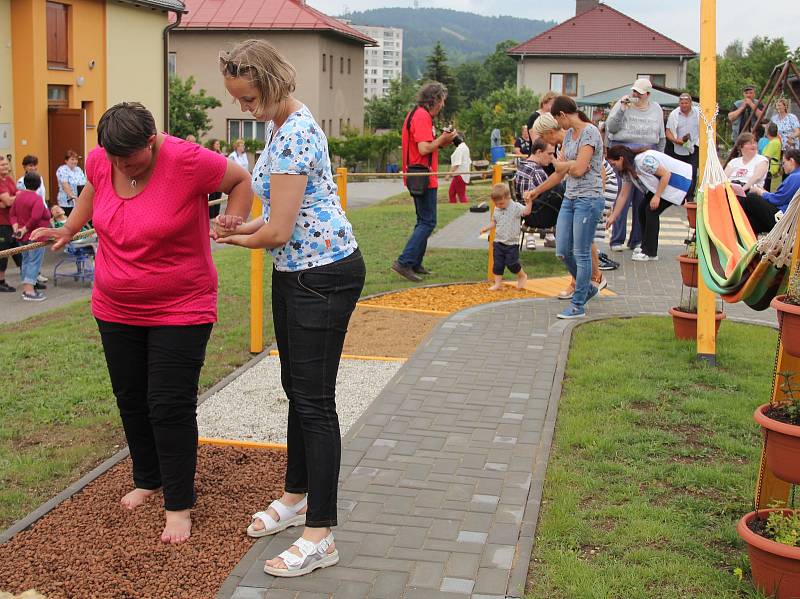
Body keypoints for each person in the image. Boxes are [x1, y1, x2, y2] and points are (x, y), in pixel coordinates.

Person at [31, 101, 253, 544]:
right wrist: (70, 228)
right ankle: (148, 478)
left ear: (150, 142)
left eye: (128, 158)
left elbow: (240, 180)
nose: (118, 165)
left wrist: (234, 218)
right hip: (115, 306)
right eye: (112, 157)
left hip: (182, 305)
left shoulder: (187, 160)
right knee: (131, 398)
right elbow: (93, 189)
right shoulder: (102, 159)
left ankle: (179, 503)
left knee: (168, 405)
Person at [214, 38, 365, 578]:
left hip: (322, 275)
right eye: (238, 99)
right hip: (296, 271)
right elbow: (278, 219)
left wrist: (243, 238)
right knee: (297, 392)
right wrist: (239, 226)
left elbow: (279, 229)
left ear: (273, 83)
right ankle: (297, 496)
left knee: (314, 402)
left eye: (250, 97)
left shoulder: (297, 131)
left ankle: (321, 534)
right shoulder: (278, 126)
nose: (245, 109)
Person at [532, 97, 605, 320]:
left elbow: (580, 169)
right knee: (563, 250)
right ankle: (588, 288)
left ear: (563, 115)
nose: (557, 125)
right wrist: (538, 191)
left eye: (556, 119)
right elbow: (560, 171)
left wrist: (566, 166)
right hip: (570, 198)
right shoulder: (569, 139)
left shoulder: (589, 133)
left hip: (588, 199)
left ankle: (578, 304)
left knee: (582, 253)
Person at [393, 81, 457, 282]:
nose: (443, 106)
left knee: (423, 220)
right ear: (435, 100)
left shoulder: (417, 114)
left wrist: (440, 141)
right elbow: (423, 149)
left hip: (419, 173)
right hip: (422, 175)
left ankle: (414, 262)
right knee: (428, 221)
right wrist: (443, 140)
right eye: (442, 101)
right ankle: (404, 262)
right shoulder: (422, 117)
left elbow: (425, 146)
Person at [605, 78, 666, 253]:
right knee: (622, 195)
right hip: (625, 152)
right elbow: (611, 127)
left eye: (639, 93)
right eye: (634, 91)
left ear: (647, 94)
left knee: (642, 198)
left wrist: (659, 158)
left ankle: (637, 240)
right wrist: (622, 110)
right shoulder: (622, 104)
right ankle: (617, 239)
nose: (635, 95)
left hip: (647, 153)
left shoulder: (656, 109)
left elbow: (660, 136)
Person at [606, 145, 692, 262]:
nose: (614, 168)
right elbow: (623, 195)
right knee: (641, 209)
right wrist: (613, 217)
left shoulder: (643, 161)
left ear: (621, 159)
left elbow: (666, 174)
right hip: (662, 186)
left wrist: (657, 196)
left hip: (679, 182)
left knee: (651, 211)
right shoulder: (628, 172)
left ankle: (650, 252)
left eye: (613, 164)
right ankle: (644, 246)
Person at [480, 183, 531, 290]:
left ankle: (522, 276)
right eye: (496, 204)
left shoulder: (516, 207)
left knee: (512, 263)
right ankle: (498, 284)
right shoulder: (497, 208)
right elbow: (494, 222)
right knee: (498, 265)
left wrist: (529, 203)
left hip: (511, 243)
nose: (499, 205)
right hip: (498, 242)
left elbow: (526, 212)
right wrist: (486, 228)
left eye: (501, 203)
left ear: (508, 198)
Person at [10, 173, 50, 301]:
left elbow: (12, 214)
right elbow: (36, 216)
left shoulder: (19, 197)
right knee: (34, 262)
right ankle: (29, 291)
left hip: (22, 236)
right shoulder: (37, 198)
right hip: (35, 236)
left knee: (26, 261)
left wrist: (17, 228)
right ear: (39, 184)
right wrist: (25, 229)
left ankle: (26, 287)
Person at [740, 150, 800, 234]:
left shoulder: (795, 177)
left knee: (751, 197)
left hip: (782, 219)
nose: (783, 166)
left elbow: (778, 200)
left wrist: (760, 192)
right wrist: (764, 193)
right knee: (751, 222)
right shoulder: (796, 176)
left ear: (791, 161)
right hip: (787, 219)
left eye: (784, 163)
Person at [515, 138, 555, 250]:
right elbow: (551, 194)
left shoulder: (522, 166)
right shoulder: (537, 171)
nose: (552, 157)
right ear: (538, 152)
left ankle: (550, 238)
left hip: (526, 213)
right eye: (550, 153)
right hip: (537, 216)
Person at [665, 93, 700, 202]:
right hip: (679, 146)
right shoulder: (674, 114)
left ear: (690, 103)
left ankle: (689, 196)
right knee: (679, 172)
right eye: (682, 103)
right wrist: (676, 140)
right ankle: (678, 196)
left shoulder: (698, 113)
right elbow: (668, 132)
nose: (684, 105)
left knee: (693, 171)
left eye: (686, 103)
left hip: (694, 145)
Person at [0, 156, 22, 291]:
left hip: (13, 222)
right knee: (3, 253)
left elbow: (8, 201)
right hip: (2, 224)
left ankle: (29, 280)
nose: (5, 167)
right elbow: (8, 201)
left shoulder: (8, 179)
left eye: (6, 164)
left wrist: (11, 199)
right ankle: (1, 282)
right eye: (2, 165)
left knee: (18, 251)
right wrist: (16, 197)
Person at [56, 150, 87, 216]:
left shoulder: (78, 169)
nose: (74, 161)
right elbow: (65, 186)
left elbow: (84, 183)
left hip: (79, 201)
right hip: (67, 202)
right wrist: (73, 197)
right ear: (66, 160)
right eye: (72, 159)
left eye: (76, 159)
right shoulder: (62, 170)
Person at [448, 134, 471, 204]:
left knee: (461, 195)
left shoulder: (460, 148)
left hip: (460, 175)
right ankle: (453, 207)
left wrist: (448, 174)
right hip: (459, 175)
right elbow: (469, 162)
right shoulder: (465, 147)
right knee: (451, 193)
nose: (452, 143)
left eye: (453, 140)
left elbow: (457, 164)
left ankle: (465, 210)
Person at [762, 123, 783, 191]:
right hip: (770, 169)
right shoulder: (775, 141)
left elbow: (765, 158)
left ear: (767, 132)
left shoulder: (773, 143)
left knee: (765, 189)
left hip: (769, 170)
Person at [208, 139, 226, 219]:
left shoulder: (220, 154)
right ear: (213, 145)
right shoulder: (210, 153)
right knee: (213, 197)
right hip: (213, 179)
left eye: (219, 144)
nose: (218, 146)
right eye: (217, 144)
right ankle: (211, 214)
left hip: (220, 178)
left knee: (218, 197)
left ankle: (216, 213)